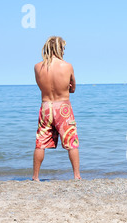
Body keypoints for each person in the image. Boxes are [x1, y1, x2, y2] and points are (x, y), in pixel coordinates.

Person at [33, 36, 81, 181]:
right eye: (63, 49)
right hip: (63, 107)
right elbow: (73, 89)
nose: (64, 52)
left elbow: (41, 87)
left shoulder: (37, 67)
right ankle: (76, 176)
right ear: (59, 48)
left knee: (40, 143)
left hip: (46, 106)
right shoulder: (67, 66)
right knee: (71, 142)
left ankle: (35, 177)